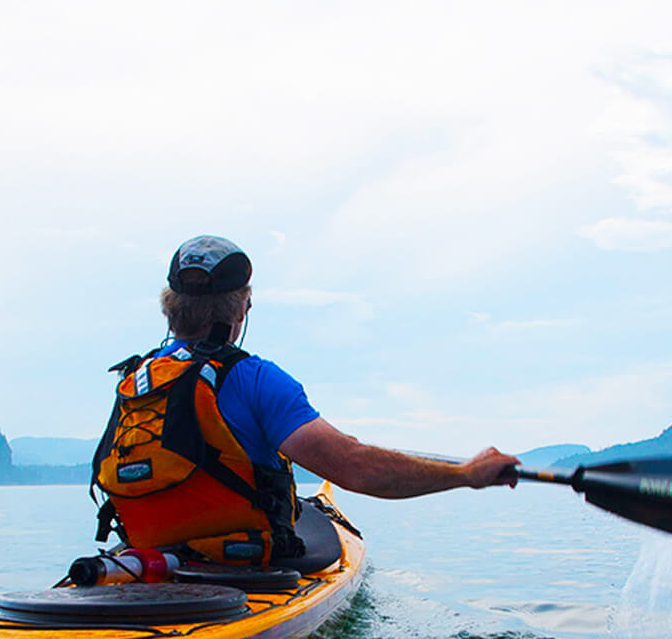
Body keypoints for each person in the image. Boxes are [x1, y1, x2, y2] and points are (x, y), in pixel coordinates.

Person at [92, 235, 518, 569]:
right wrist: (466, 474)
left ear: (170, 309)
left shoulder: (135, 379)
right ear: (240, 310)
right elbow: (355, 467)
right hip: (240, 571)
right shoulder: (254, 378)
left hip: (146, 564)